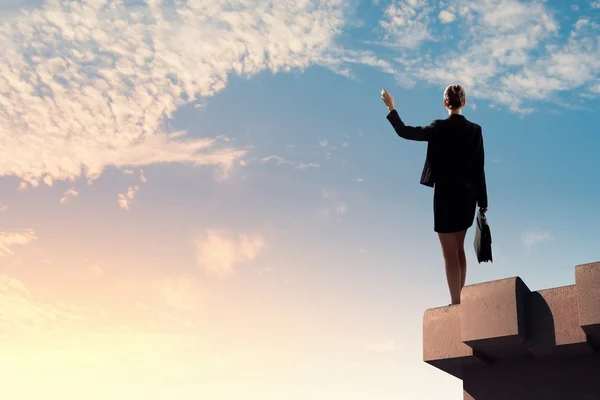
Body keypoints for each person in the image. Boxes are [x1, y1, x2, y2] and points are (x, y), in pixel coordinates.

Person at [381, 84, 488, 305]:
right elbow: (479, 167)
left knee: (449, 253)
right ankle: (461, 299)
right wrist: (483, 201)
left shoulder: (438, 127)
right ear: (464, 102)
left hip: (446, 195)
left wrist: (392, 108)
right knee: (459, 249)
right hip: (467, 196)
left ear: (445, 103)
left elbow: (405, 132)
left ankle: (456, 303)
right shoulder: (475, 129)